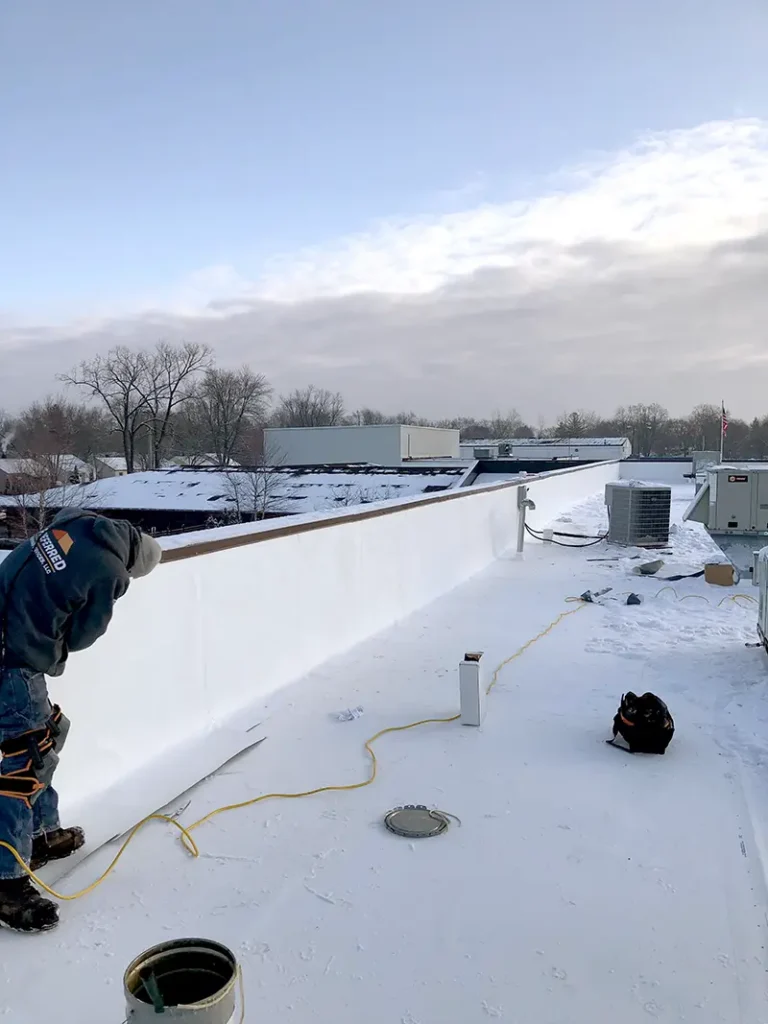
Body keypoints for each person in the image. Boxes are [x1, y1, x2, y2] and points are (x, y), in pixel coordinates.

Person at [0, 508, 162, 932]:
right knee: (26, 760)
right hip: (12, 654)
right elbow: (84, 634)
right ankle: (6, 882)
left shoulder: (79, 521)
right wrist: (53, 642)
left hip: (9, 632)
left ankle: (41, 834)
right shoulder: (112, 571)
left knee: (45, 738)